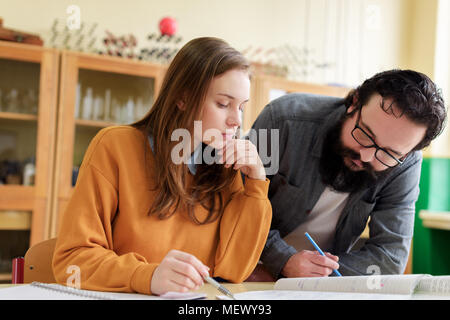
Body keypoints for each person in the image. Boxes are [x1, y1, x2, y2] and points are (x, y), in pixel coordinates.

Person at [52, 37, 272, 295]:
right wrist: (147, 276)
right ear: (183, 99)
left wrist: (257, 182)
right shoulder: (115, 147)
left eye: (242, 107)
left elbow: (234, 271)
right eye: (223, 104)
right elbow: (71, 261)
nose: (236, 120)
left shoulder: (225, 168)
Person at [247, 69, 446, 280]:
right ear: (354, 103)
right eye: (365, 135)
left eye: (387, 153)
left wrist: (317, 272)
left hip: (318, 288)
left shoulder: (405, 163)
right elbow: (233, 209)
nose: (367, 156)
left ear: (406, 153)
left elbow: (390, 258)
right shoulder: (284, 119)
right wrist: (283, 260)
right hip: (247, 270)